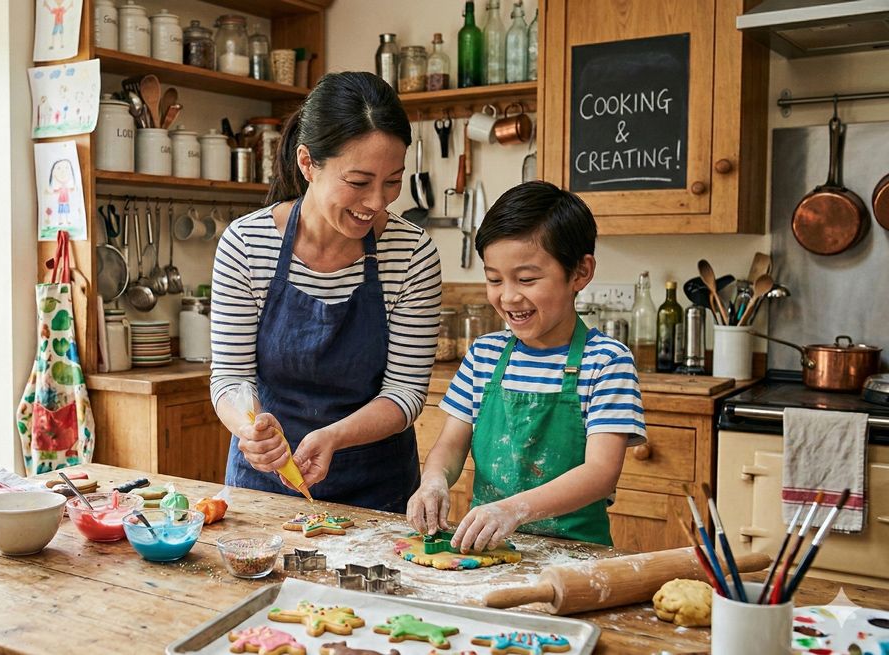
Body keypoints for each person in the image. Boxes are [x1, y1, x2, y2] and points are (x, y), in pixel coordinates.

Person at [209, 72, 442, 513]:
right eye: (358, 181)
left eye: (392, 181)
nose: (377, 202)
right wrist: (251, 428)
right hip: (266, 487)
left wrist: (335, 435)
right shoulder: (246, 244)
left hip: (378, 492)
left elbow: (406, 393)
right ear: (308, 163)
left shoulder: (412, 254)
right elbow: (231, 377)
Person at [406, 181, 645, 550]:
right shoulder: (483, 355)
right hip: (486, 549)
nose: (509, 296)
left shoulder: (606, 362)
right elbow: (450, 445)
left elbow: (600, 474)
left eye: (527, 279)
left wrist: (512, 510)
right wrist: (434, 480)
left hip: (577, 556)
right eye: (493, 279)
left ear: (580, 273)